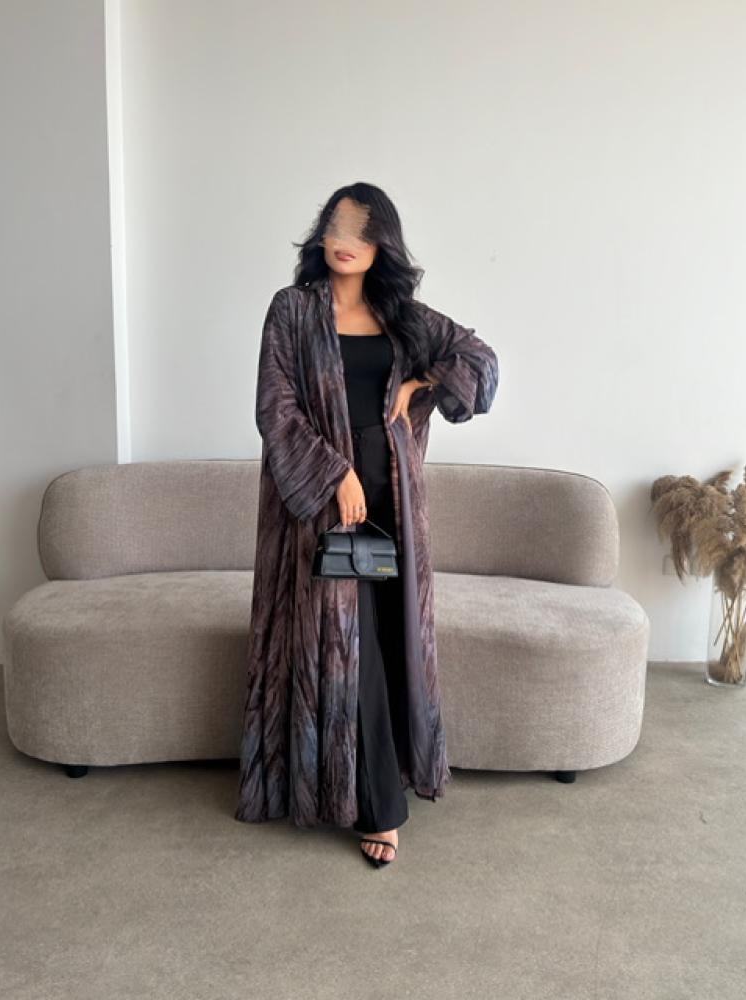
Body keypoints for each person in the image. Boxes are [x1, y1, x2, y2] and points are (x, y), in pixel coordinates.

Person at [235, 182, 499, 869]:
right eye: (335, 224)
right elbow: (275, 408)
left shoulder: (401, 317)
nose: (344, 238)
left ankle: (382, 778)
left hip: (394, 501)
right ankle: (379, 807)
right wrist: (335, 474)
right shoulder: (292, 310)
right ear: (321, 234)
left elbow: (481, 362)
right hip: (324, 503)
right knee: (346, 648)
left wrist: (421, 385)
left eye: (360, 228)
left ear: (382, 243)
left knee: (385, 639)